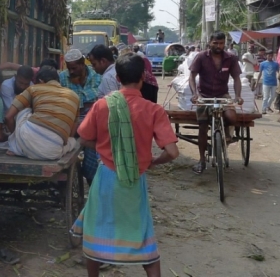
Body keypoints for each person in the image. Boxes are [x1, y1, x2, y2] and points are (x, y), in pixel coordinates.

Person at [71, 53, 179, 277]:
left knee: (98, 229)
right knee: (142, 235)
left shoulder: (103, 106)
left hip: (106, 178)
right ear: (143, 77)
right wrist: (153, 162)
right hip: (134, 180)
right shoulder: (153, 110)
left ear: (117, 78)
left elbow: (82, 138)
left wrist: (106, 148)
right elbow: (172, 152)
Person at [188, 31, 243, 175]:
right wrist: (195, 94)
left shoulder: (230, 58)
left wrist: (237, 96)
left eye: (221, 43)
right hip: (204, 95)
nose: (219, 46)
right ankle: (201, 160)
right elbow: (192, 77)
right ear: (209, 43)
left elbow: (237, 78)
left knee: (231, 117)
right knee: (202, 128)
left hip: (222, 95)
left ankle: (227, 135)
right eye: (215, 43)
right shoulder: (201, 57)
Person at [4, 66, 80, 160]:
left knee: (24, 109)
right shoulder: (75, 96)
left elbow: (8, 117)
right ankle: (30, 150)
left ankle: (17, 146)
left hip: (27, 139)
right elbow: (72, 131)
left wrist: (15, 138)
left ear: (40, 81)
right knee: (72, 141)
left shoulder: (33, 89)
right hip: (53, 153)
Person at [59, 49, 101, 120]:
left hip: (93, 120)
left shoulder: (96, 76)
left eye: (74, 68)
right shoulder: (62, 77)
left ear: (82, 64)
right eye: (69, 69)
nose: (71, 72)